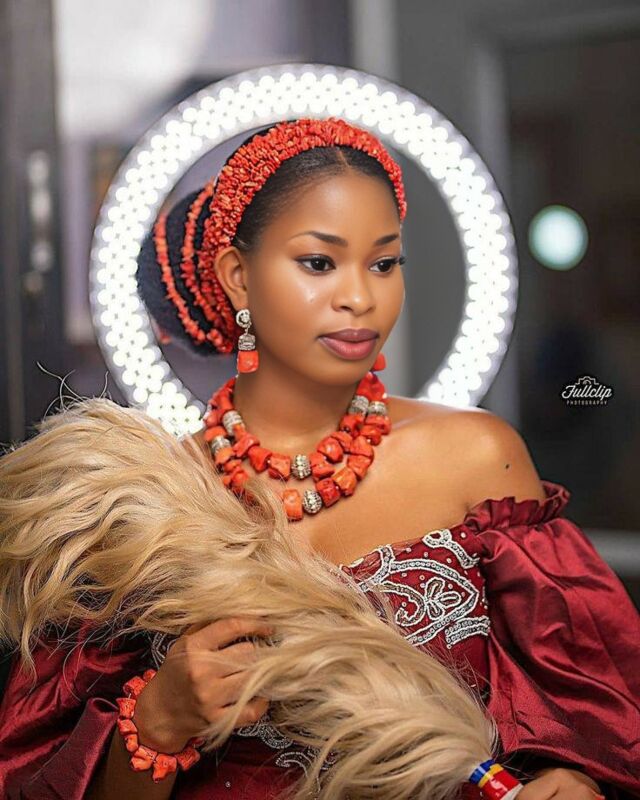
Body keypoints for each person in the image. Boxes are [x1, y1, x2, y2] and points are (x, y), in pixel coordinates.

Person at [0, 116, 638, 799]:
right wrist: (159, 721)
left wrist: (570, 776)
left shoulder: (475, 458)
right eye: (318, 263)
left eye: (384, 263)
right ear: (237, 277)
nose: (360, 297)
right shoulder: (144, 513)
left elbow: (596, 712)